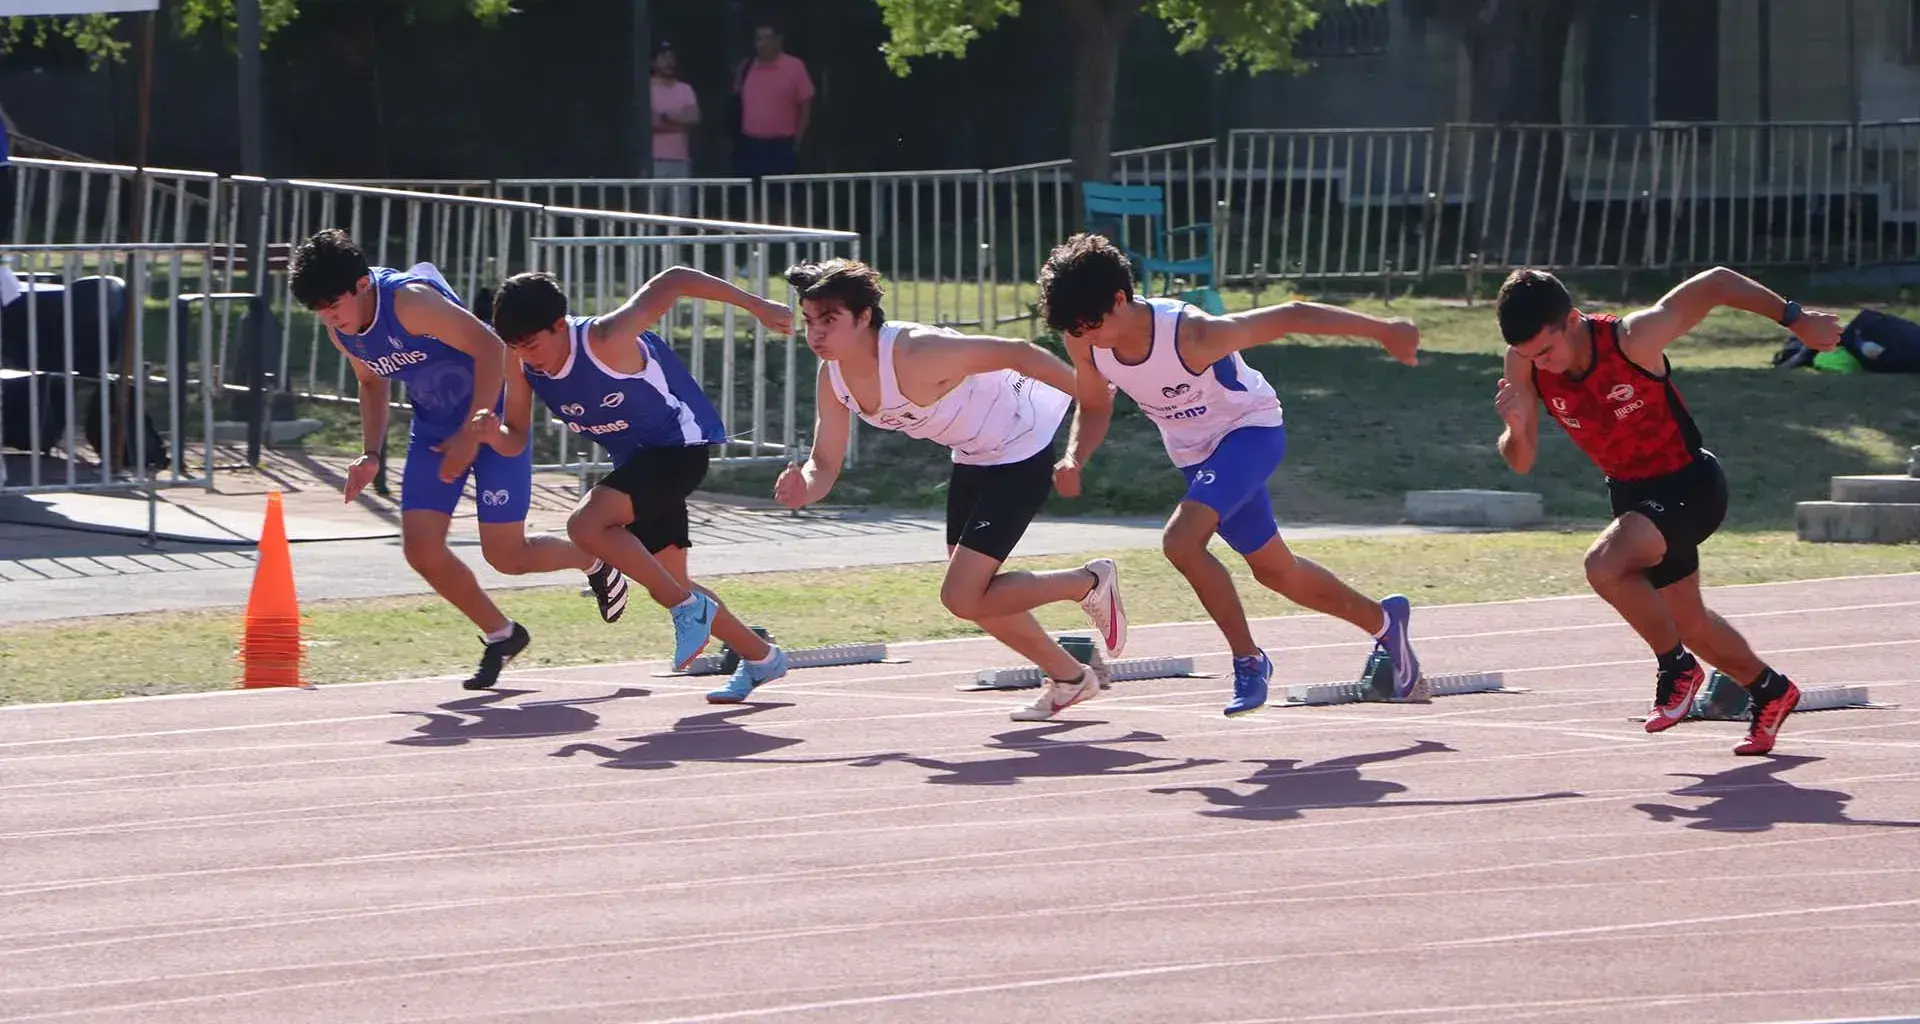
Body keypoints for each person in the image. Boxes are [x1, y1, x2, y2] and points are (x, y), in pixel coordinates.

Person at [1038, 232, 1424, 719]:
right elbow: (1094, 404)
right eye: (1075, 329)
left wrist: (1383, 330)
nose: (1085, 337)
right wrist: (1076, 456)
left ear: (1120, 299)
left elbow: (1291, 315)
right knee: (1276, 571)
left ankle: (1249, 660)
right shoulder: (1084, 338)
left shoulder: (1190, 334)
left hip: (1250, 431)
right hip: (1196, 456)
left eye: (1091, 325)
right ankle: (1387, 623)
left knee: (1181, 542)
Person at [1492, 266, 1841, 756]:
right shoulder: (1524, 364)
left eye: (1547, 351)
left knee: (1603, 565)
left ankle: (1676, 669)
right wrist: (1517, 427)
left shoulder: (1632, 339)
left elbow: (1715, 283)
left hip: (1690, 485)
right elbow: (1522, 461)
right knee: (1691, 623)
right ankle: (1769, 690)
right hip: (1633, 498)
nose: (1542, 365)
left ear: (1571, 320)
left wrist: (1796, 318)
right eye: (1530, 357)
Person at [772, 258, 1125, 723]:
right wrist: (805, 490)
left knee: (962, 596)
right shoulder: (833, 376)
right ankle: (1071, 678)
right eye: (809, 321)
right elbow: (825, 462)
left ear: (863, 318)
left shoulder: (918, 353)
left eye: (829, 320)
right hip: (973, 455)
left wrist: (1091, 393)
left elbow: (1018, 352)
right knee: (977, 598)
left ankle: (1089, 582)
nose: (816, 334)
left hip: (1021, 445)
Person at [289, 229, 628, 690]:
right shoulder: (342, 330)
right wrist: (370, 452)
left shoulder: (410, 302)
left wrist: (474, 430)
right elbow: (371, 382)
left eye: (333, 306)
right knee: (421, 550)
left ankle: (595, 561)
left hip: (494, 419)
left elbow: (492, 347)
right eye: (320, 312)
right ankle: (502, 634)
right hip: (433, 429)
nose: (329, 318)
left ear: (363, 284)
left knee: (506, 556)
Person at [488, 266, 795, 703]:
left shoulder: (604, 339)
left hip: (678, 450)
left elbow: (671, 281)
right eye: (514, 346)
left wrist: (756, 305)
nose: (526, 355)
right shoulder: (518, 359)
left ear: (559, 325)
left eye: (532, 344)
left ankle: (686, 609)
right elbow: (515, 433)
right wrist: (490, 434)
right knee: (672, 581)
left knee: (587, 526)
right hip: (638, 462)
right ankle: (762, 656)